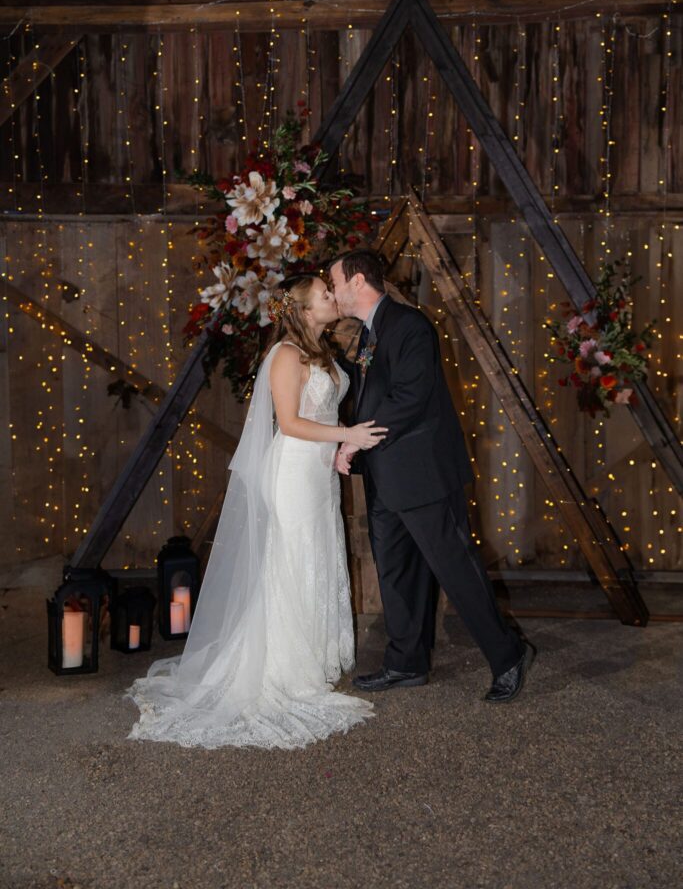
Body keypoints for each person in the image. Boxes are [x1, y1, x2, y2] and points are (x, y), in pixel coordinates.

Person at [126, 274, 384, 749]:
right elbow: (289, 422)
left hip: (319, 472)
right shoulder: (285, 355)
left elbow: (322, 414)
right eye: (325, 294)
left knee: (318, 552)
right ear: (306, 311)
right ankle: (284, 667)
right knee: (292, 560)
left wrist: (342, 444)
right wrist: (345, 437)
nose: (332, 296)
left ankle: (314, 653)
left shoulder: (323, 351)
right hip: (293, 474)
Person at [329, 249, 535, 703]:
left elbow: (409, 397)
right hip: (384, 475)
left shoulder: (410, 326)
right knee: (396, 573)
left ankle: (508, 655)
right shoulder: (368, 334)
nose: (333, 291)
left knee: (455, 569)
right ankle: (406, 662)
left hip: (422, 474)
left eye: (336, 282)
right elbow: (371, 390)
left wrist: (354, 441)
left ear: (358, 281)